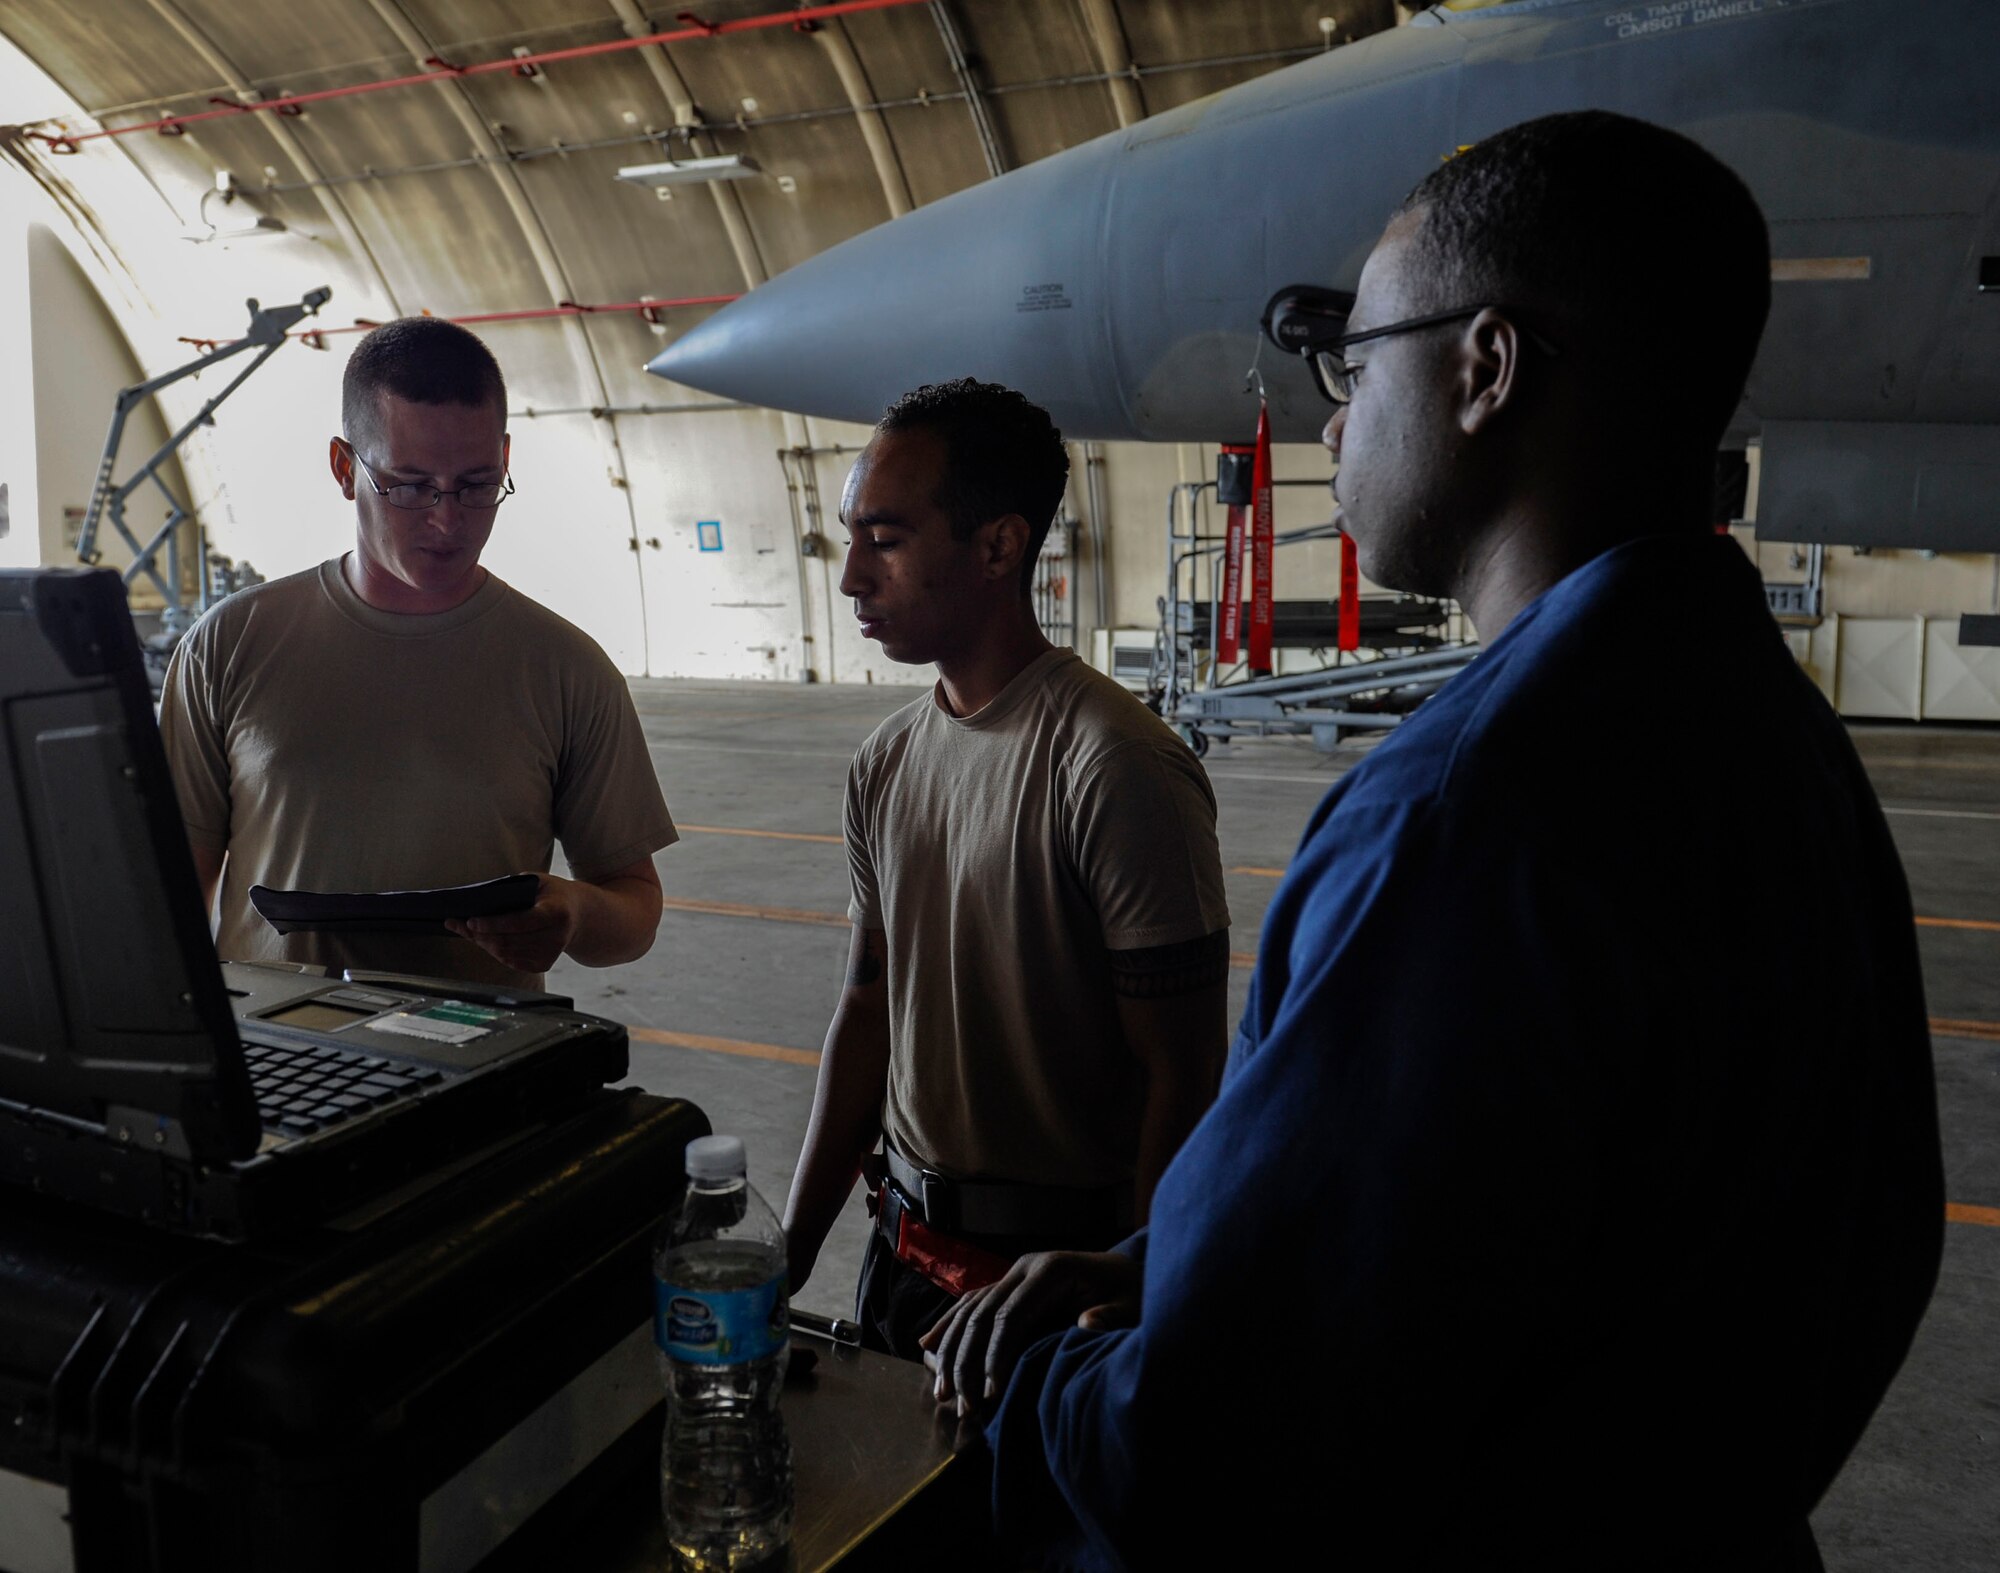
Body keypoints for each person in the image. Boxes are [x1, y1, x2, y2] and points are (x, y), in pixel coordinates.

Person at [925, 112, 1945, 1569]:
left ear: (1486, 368)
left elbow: (1215, 1447)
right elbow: (1611, 1235)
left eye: (1359, 359)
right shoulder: (1776, 746)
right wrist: (1162, 1269)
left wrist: (1032, 1384)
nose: (1336, 417)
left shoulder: (1465, 815)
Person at [782, 379, 1232, 1359]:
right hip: (903, 1260)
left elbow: (1183, 1070)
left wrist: (1134, 1296)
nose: (851, 575)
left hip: (1050, 1291)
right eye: (851, 535)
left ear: (997, 545)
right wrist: (787, 1254)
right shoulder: (885, 762)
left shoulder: (1113, 764)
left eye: (886, 539)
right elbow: (866, 1016)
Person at [160, 317, 675, 991]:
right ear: (345, 468)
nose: (447, 519)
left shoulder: (566, 668)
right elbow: (167, 895)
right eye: (408, 486)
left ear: (505, 460)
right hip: (277, 1061)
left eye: (475, 485)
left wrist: (576, 912)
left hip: (480, 1062)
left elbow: (634, 908)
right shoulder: (229, 647)